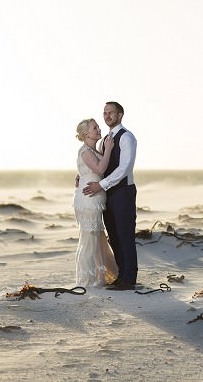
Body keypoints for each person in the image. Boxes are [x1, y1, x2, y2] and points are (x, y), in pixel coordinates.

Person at [82, 101, 138, 291]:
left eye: (111, 113)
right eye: (104, 113)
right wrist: (82, 176)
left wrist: (101, 185)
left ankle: (129, 279)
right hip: (107, 194)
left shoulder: (126, 137)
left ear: (120, 115)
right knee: (114, 235)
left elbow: (124, 168)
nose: (107, 116)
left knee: (125, 235)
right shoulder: (105, 139)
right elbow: (99, 166)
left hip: (123, 192)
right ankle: (122, 275)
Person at [73, 118, 118, 288]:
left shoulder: (93, 150)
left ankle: (103, 275)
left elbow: (90, 171)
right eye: (95, 127)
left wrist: (80, 176)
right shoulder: (85, 151)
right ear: (86, 133)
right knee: (90, 238)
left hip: (95, 199)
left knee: (98, 237)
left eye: (98, 127)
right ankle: (88, 280)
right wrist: (109, 151)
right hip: (88, 200)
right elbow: (99, 169)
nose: (99, 129)